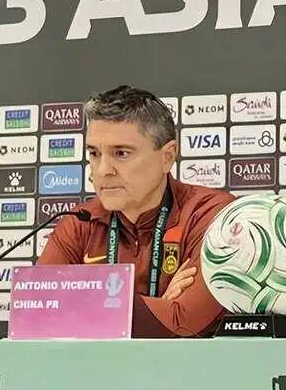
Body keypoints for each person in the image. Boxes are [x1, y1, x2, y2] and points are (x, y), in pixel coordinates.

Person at [38, 85, 235, 338]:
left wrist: (82, 300)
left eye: (121, 153)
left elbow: (183, 321)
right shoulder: (79, 222)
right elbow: (39, 312)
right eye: (94, 153)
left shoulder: (211, 214)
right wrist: (159, 306)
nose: (103, 170)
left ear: (167, 157)